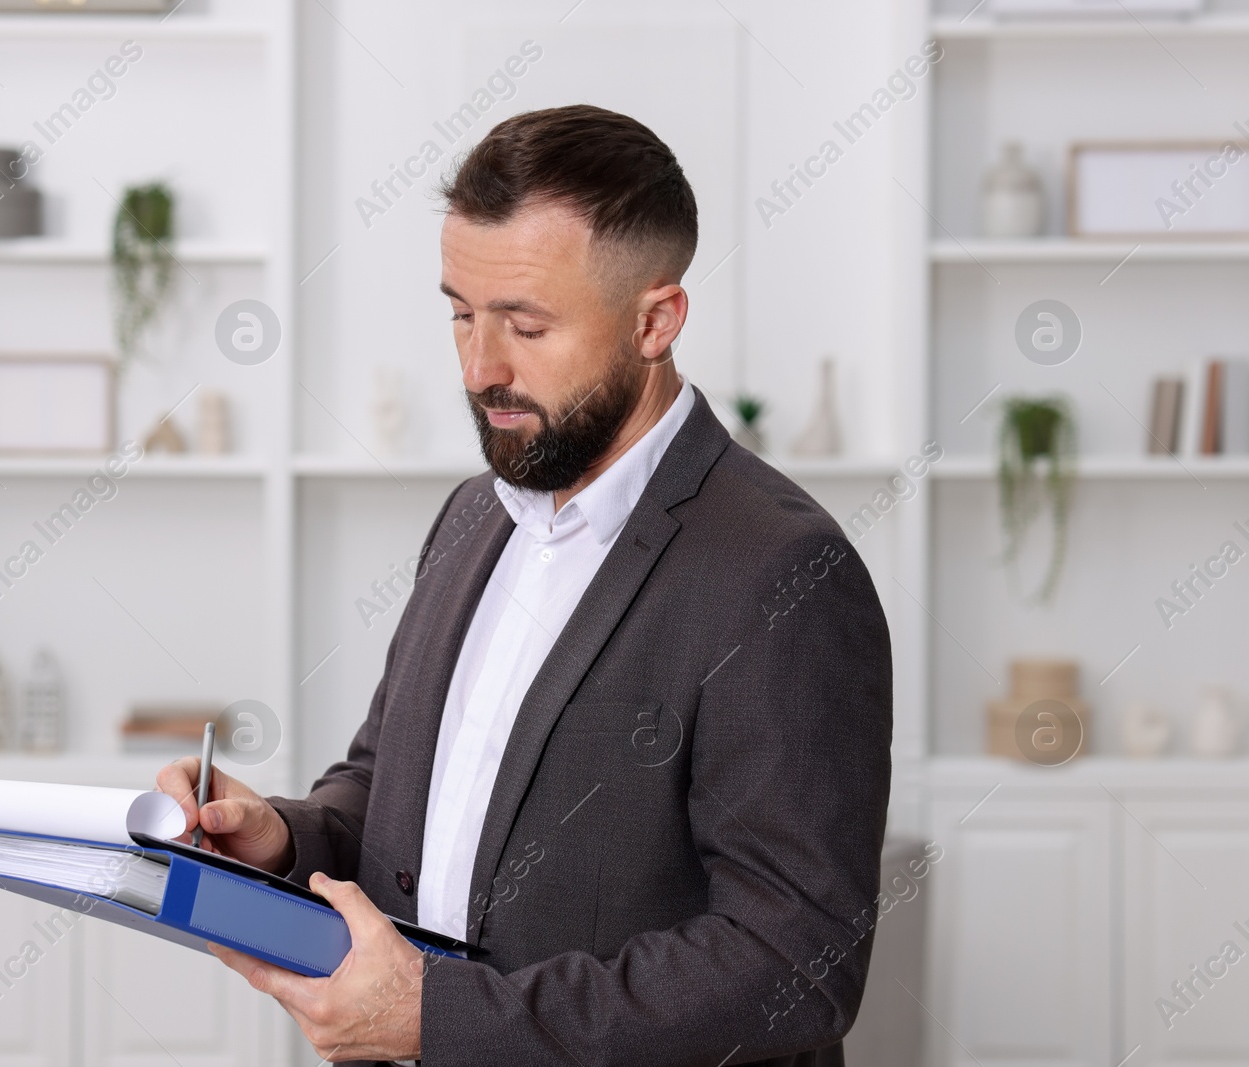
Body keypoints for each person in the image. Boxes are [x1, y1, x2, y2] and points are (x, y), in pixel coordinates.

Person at [158, 104, 892, 1067]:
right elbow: (390, 786)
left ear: (655, 321)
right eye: (461, 312)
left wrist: (442, 1018)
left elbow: (793, 959)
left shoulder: (781, 569)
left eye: (527, 326)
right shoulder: (474, 516)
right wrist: (281, 840)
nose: (480, 366)